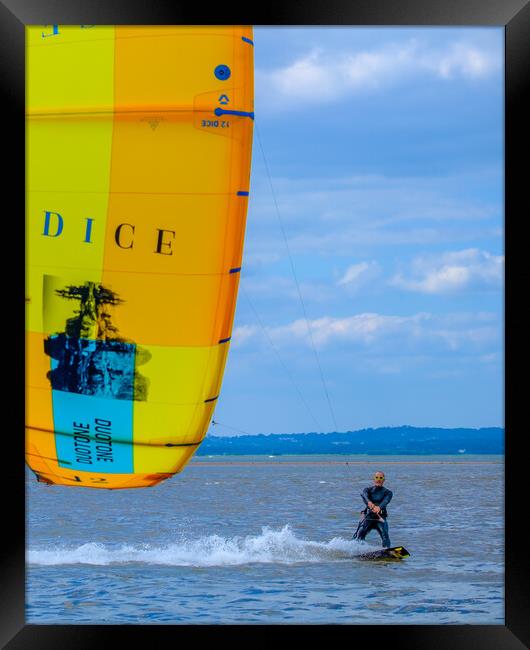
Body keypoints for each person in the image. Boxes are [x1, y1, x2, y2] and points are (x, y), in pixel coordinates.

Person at [353, 471, 393, 547]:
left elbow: (386, 501)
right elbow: (364, 495)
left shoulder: (388, 492)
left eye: (381, 478)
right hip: (369, 517)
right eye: (377, 477)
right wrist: (369, 502)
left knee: (385, 534)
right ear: (374, 479)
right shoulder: (367, 490)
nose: (378, 479)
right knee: (360, 533)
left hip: (380, 517)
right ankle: (357, 550)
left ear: (384, 480)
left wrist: (379, 507)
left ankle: (387, 550)